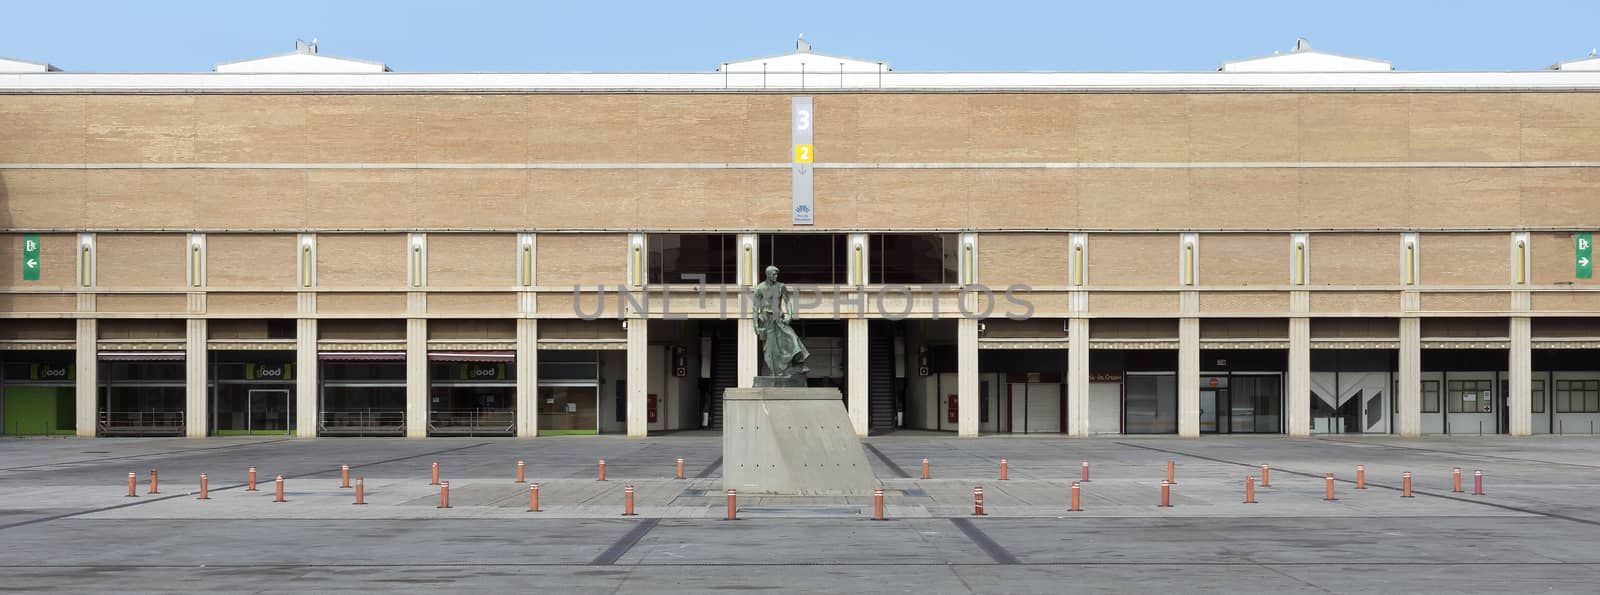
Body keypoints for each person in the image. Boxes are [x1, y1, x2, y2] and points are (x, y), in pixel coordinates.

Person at [752, 265, 809, 377]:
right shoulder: (759, 288)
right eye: (774, 274)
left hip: (779, 318)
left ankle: (798, 362)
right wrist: (755, 324)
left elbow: (787, 301)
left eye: (777, 274)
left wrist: (790, 315)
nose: (776, 276)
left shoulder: (781, 286)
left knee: (793, 337)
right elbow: (755, 307)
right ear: (768, 274)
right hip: (766, 320)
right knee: (770, 348)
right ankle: (775, 373)